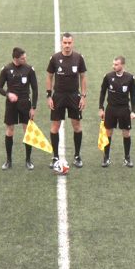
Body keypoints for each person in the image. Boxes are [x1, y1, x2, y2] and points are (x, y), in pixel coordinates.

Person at [46, 33, 88, 168]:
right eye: (65, 43)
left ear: (72, 43)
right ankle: (55, 157)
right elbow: (49, 76)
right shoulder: (54, 58)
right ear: (61, 43)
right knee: (55, 127)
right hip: (58, 96)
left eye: (69, 43)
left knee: (77, 126)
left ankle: (77, 156)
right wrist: (49, 95)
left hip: (74, 96)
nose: (67, 45)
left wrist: (83, 96)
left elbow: (83, 77)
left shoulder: (79, 58)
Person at [0, 47, 39, 170]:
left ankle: (28, 160)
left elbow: (35, 89)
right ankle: (8, 161)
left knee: (27, 131)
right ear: (15, 58)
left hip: (25, 103)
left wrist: (33, 107)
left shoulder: (29, 69)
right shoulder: (6, 69)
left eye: (25, 57)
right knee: (10, 130)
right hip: (11, 105)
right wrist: (8, 94)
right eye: (22, 58)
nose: (25, 60)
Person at [98, 55, 135, 168]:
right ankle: (106, 158)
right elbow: (102, 92)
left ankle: (127, 158)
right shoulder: (108, 76)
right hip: (111, 108)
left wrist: (133, 111)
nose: (113, 66)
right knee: (108, 132)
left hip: (124, 109)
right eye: (113, 64)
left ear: (122, 65)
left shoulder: (130, 78)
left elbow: (133, 95)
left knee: (126, 133)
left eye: (116, 64)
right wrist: (101, 108)